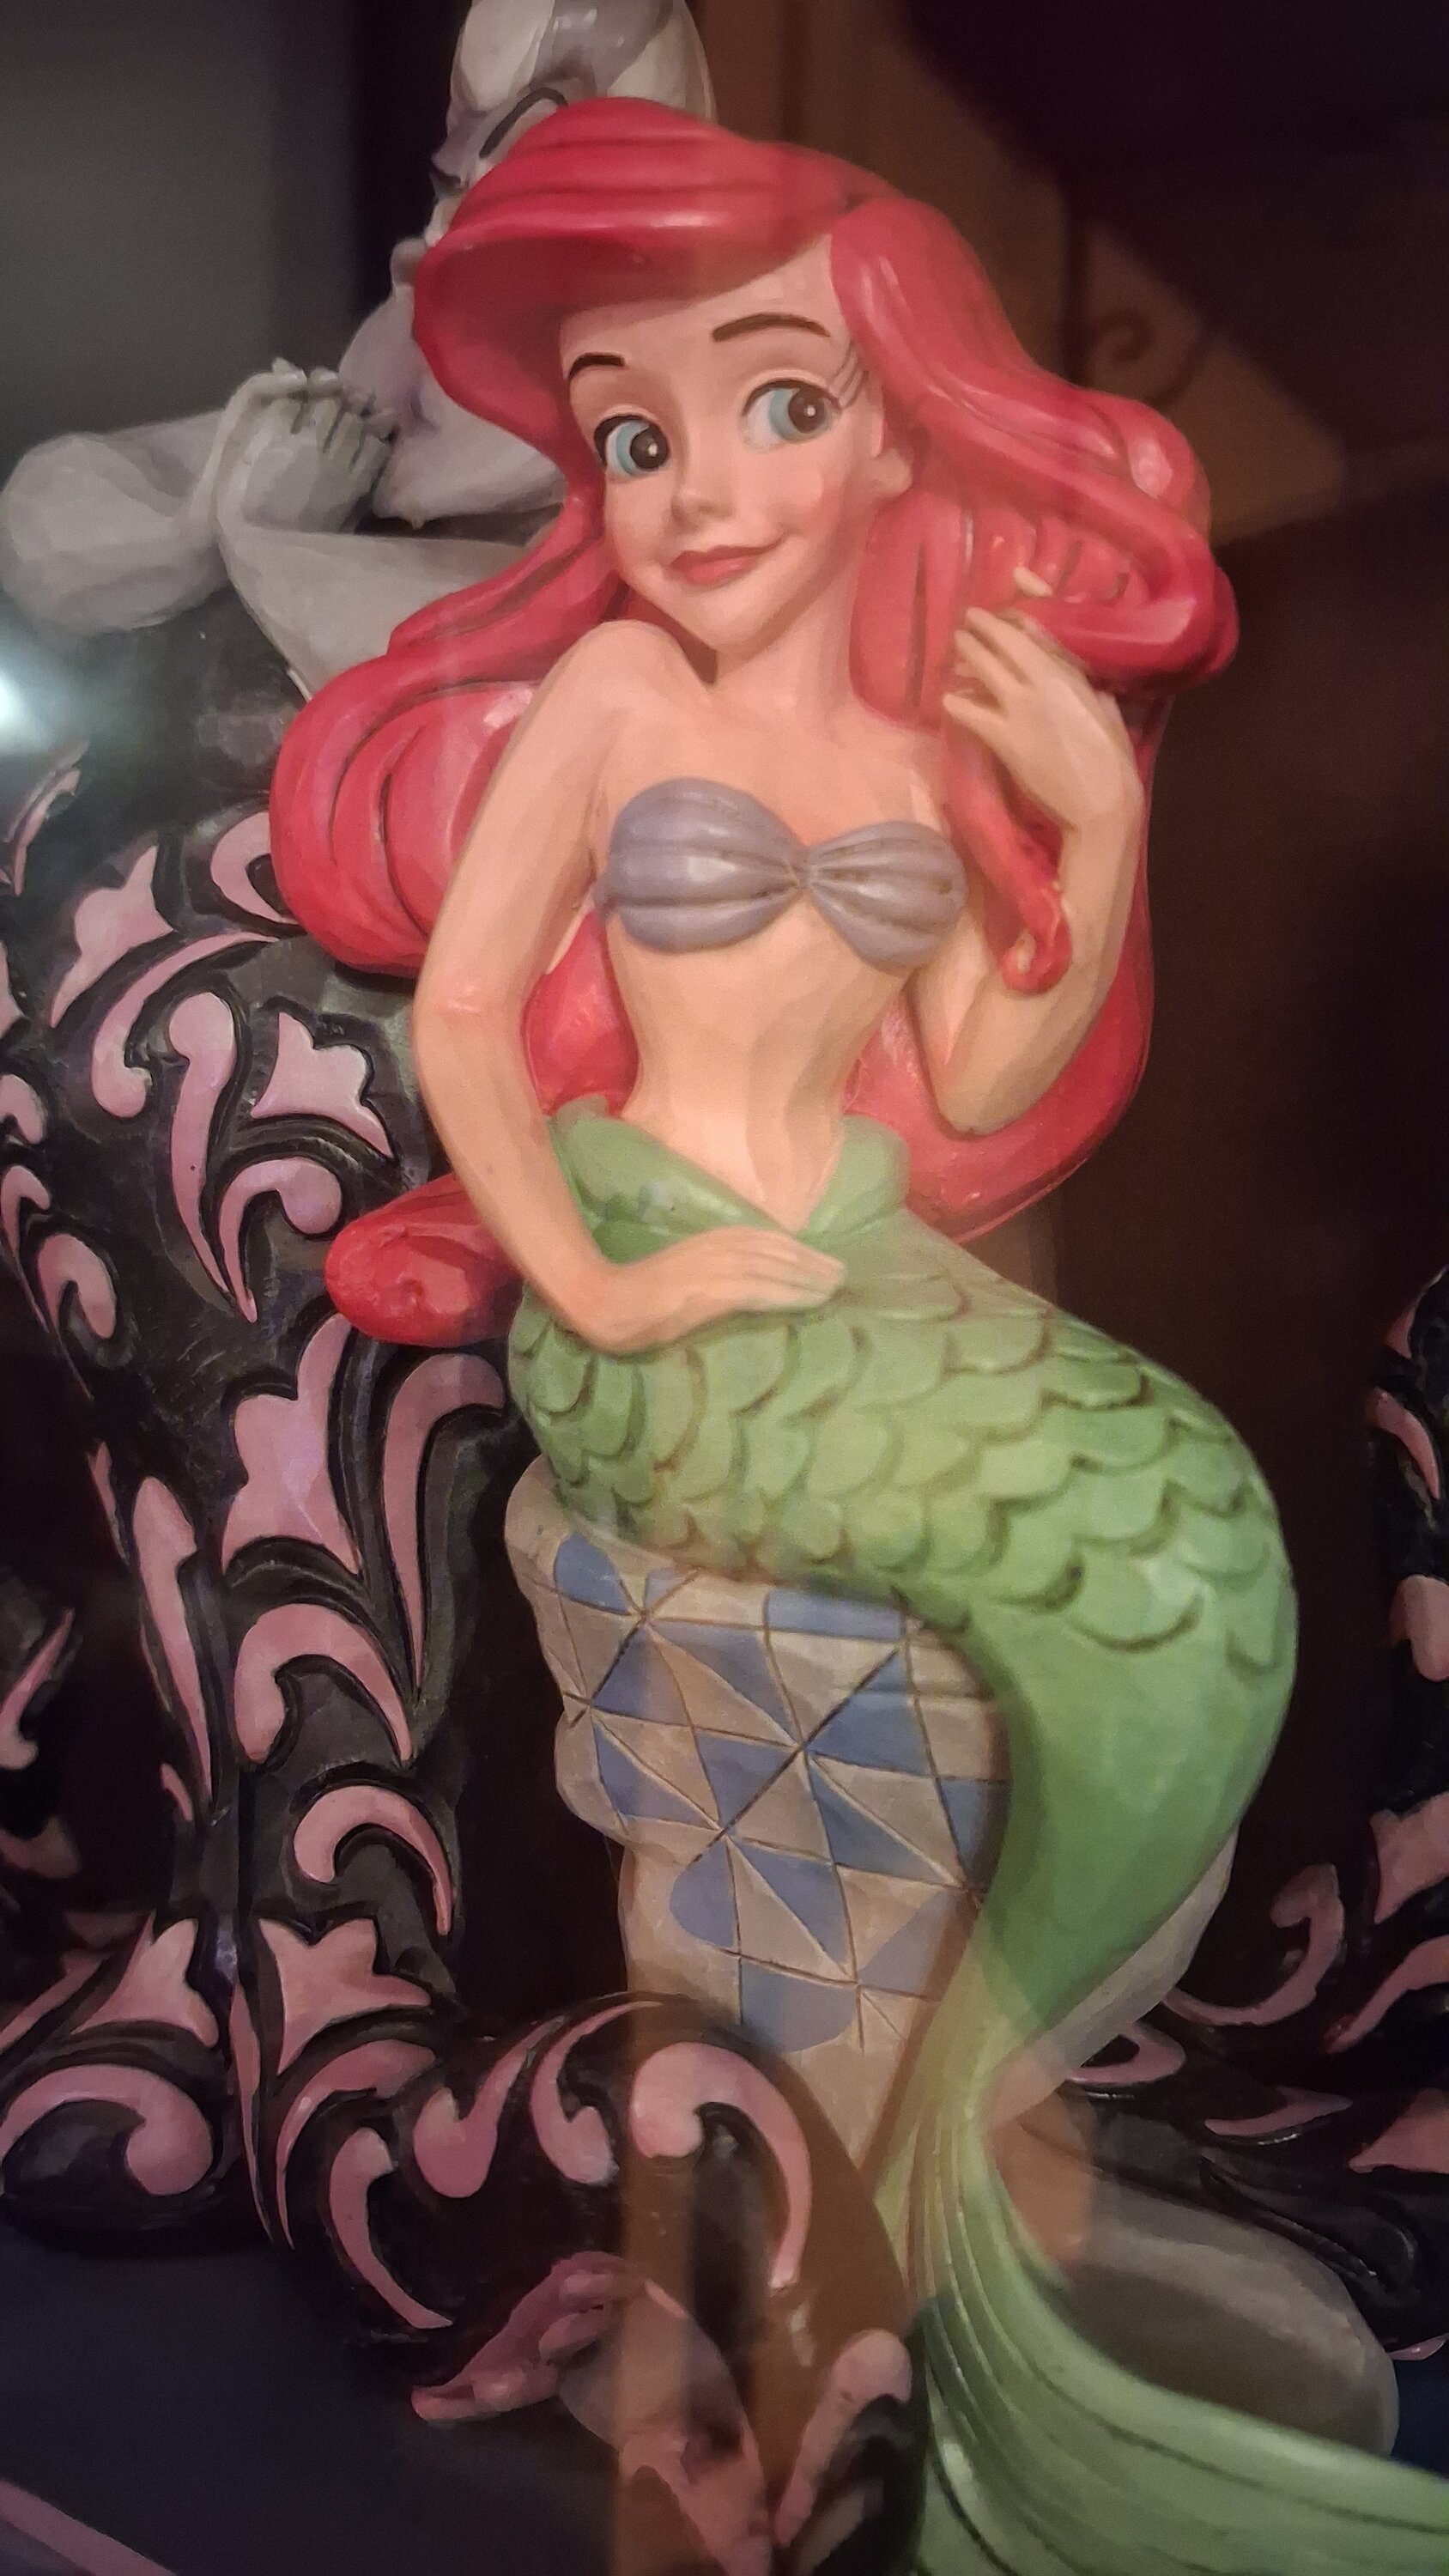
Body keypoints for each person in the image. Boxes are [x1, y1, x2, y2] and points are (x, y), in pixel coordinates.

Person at [271, 99, 1449, 2572]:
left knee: (1171, 1527)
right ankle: (875, 2202)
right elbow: (467, 1017)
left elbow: (984, 1082)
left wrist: (1095, 836)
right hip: (666, 1292)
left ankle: (965, 2141)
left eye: (778, 403)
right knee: (1139, 1526)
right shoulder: (614, 692)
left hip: (849, 1267)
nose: (699, 487)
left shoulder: (915, 737)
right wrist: (599, 1281)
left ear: (898, 422)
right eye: (635, 432)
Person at [0, 0, 712, 692]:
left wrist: (266, 542)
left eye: (522, 186)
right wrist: (192, 525)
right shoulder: (371, 421)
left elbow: (502, 658)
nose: (448, 235)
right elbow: (35, 528)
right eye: (453, 186)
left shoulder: (633, 501)